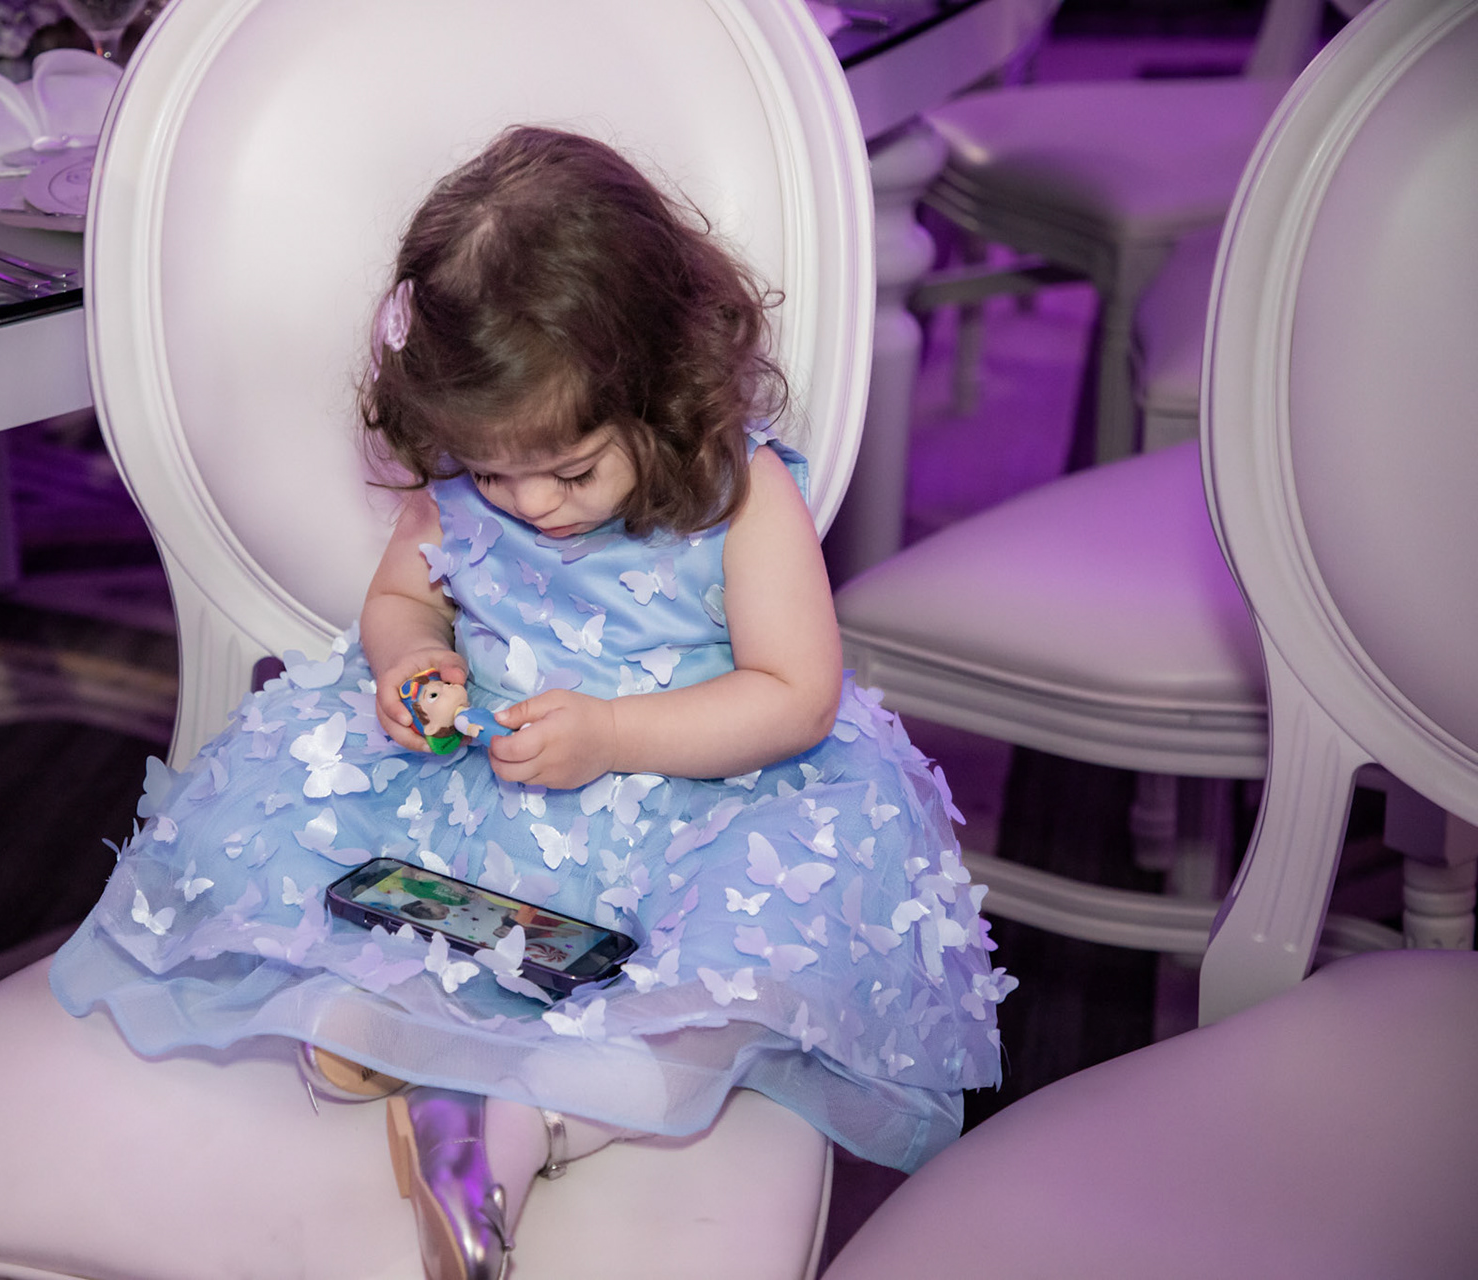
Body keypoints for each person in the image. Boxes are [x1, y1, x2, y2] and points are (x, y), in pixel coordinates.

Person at [50, 126, 1017, 1280]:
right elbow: (400, 601)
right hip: (486, 791)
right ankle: (388, 1026)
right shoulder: (465, 479)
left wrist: (613, 733)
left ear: (660, 390)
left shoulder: (742, 494)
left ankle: (518, 1122)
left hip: (699, 797)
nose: (530, 504)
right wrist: (417, 664)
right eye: (495, 470)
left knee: (749, 982)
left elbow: (796, 695)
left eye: (571, 470)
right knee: (310, 869)